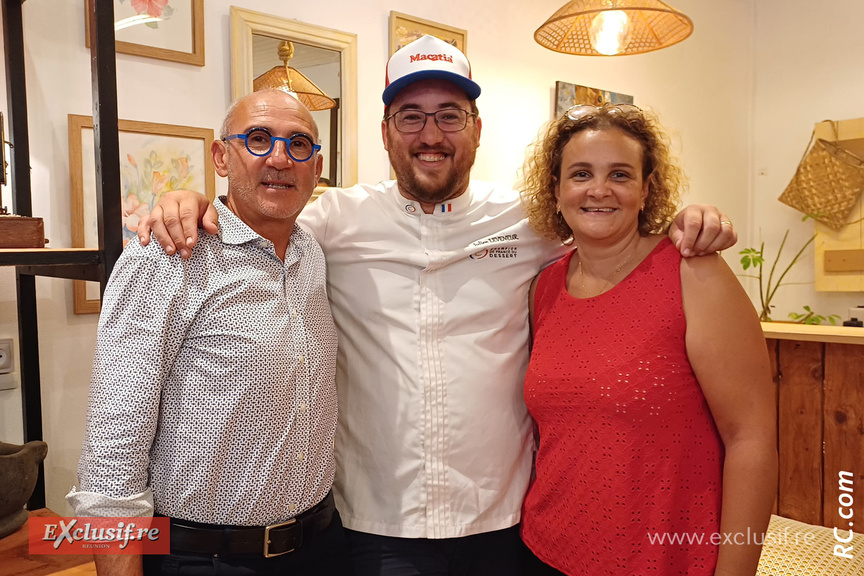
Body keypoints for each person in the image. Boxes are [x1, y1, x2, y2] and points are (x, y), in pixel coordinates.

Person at [137, 36, 738, 576]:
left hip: (504, 520)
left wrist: (689, 220)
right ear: (384, 131)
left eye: (450, 115)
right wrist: (186, 200)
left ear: (477, 128)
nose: (431, 135)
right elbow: (256, 211)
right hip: (376, 524)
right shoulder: (330, 221)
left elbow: (608, 222)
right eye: (411, 117)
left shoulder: (530, 223)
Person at [67, 89, 353, 576]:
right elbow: (112, 452)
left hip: (321, 546)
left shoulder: (313, 252)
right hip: (202, 557)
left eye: (299, 144)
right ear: (222, 156)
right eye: (258, 139)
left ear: (317, 165)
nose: (280, 158)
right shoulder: (166, 256)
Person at [519, 103, 777, 575]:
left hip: (663, 559)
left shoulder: (693, 274)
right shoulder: (544, 287)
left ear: (645, 189)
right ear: (556, 191)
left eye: (620, 174)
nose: (599, 190)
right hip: (544, 551)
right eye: (580, 174)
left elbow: (751, 439)